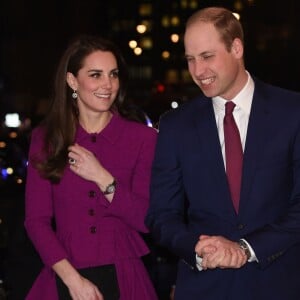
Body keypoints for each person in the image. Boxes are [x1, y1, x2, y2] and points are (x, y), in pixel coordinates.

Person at [146, 6, 300, 300]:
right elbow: (161, 215)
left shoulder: (292, 112)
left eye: (207, 56)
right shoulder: (176, 126)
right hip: (205, 287)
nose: (197, 71)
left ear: (237, 48)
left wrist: (246, 248)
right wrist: (196, 247)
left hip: (281, 285)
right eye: (190, 59)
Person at [24, 35, 158, 300]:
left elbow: (147, 220)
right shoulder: (47, 138)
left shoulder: (143, 139)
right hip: (64, 275)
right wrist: (74, 282)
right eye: (95, 75)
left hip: (125, 276)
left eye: (113, 74)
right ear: (73, 81)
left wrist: (102, 177)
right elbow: (35, 221)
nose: (107, 85)